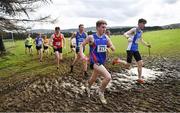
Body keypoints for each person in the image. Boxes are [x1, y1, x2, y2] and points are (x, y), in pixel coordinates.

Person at [80, 20, 115, 104]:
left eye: (105, 27)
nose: (104, 29)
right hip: (94, 62)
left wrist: (109, 48)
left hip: (102, 61)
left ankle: (87, 87)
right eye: (103, 27)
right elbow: (81, 45)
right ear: (97, 27)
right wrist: (82, 56)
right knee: (108, 77)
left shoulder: (106, 37)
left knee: (94, 77)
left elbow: (113, 47)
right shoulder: (91, 37)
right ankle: (100, 92)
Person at [112, 18, 151, 84]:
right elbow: (125, 34)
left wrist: (147, 45)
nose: (144, 25)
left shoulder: (141, 32)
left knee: (140, 63)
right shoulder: (134, 29)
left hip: (136, 49)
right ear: (139, 23)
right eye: (143, 24)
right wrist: (128, 37)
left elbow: (141, 40)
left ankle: (139, 78)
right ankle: (117, 61)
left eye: (145, 24)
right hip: (130, 49)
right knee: (128, 65)